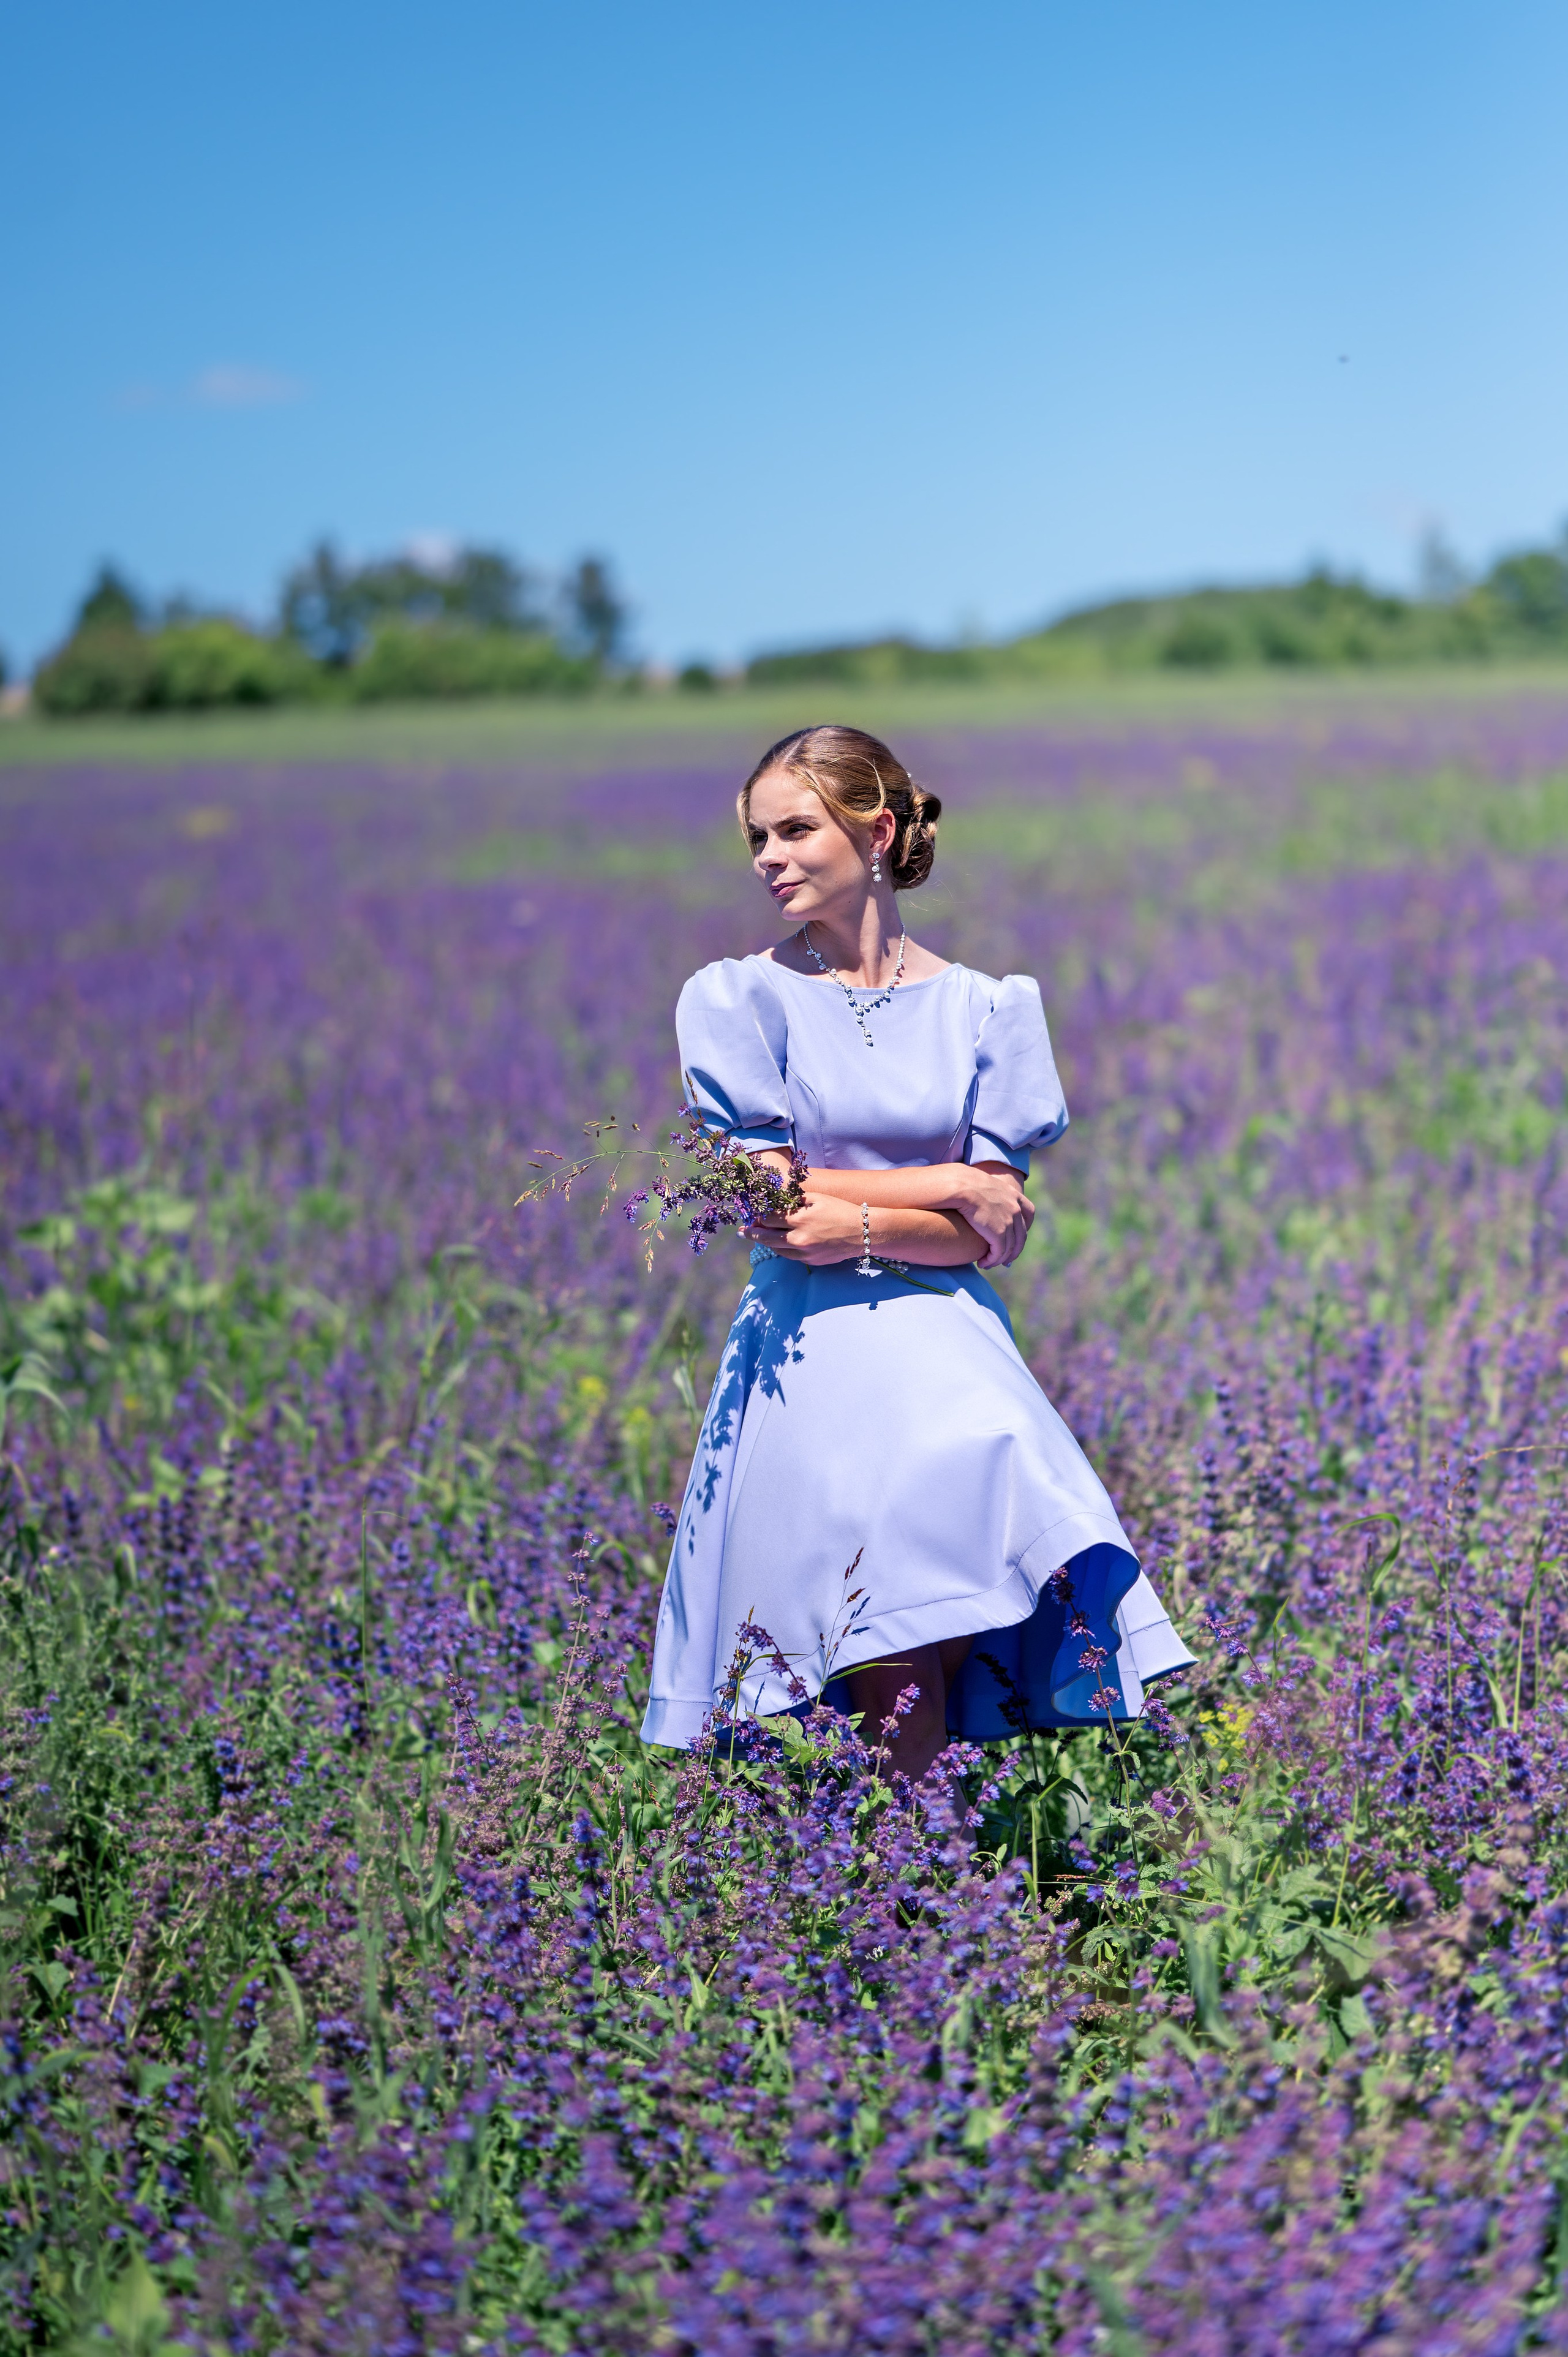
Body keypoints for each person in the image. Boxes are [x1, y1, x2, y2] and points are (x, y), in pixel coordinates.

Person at [640, 725, 1191, 1779]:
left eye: (797, 829)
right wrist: (944, 1184)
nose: (770, 857)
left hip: (952, 1356)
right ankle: (903, 1889)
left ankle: (921, 1883)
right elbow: (774, 1208)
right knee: (874, 1648)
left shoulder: (990, 1008)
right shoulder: (738, 998)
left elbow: (996, 1230)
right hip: (814, 1355)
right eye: (759, 838)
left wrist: (890, 1209)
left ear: (877, 830)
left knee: (931, 1631)